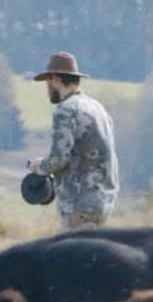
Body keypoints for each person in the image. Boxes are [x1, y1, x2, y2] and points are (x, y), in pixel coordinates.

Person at [28, 52, 119, 230]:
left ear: (54, 78)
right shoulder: (97, 108)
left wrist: (40, 167)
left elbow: (59, 158)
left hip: (78, 206)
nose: (47, 88)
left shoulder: (66, 110)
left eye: (47, 81)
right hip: (103, 204)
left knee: (66, 257)